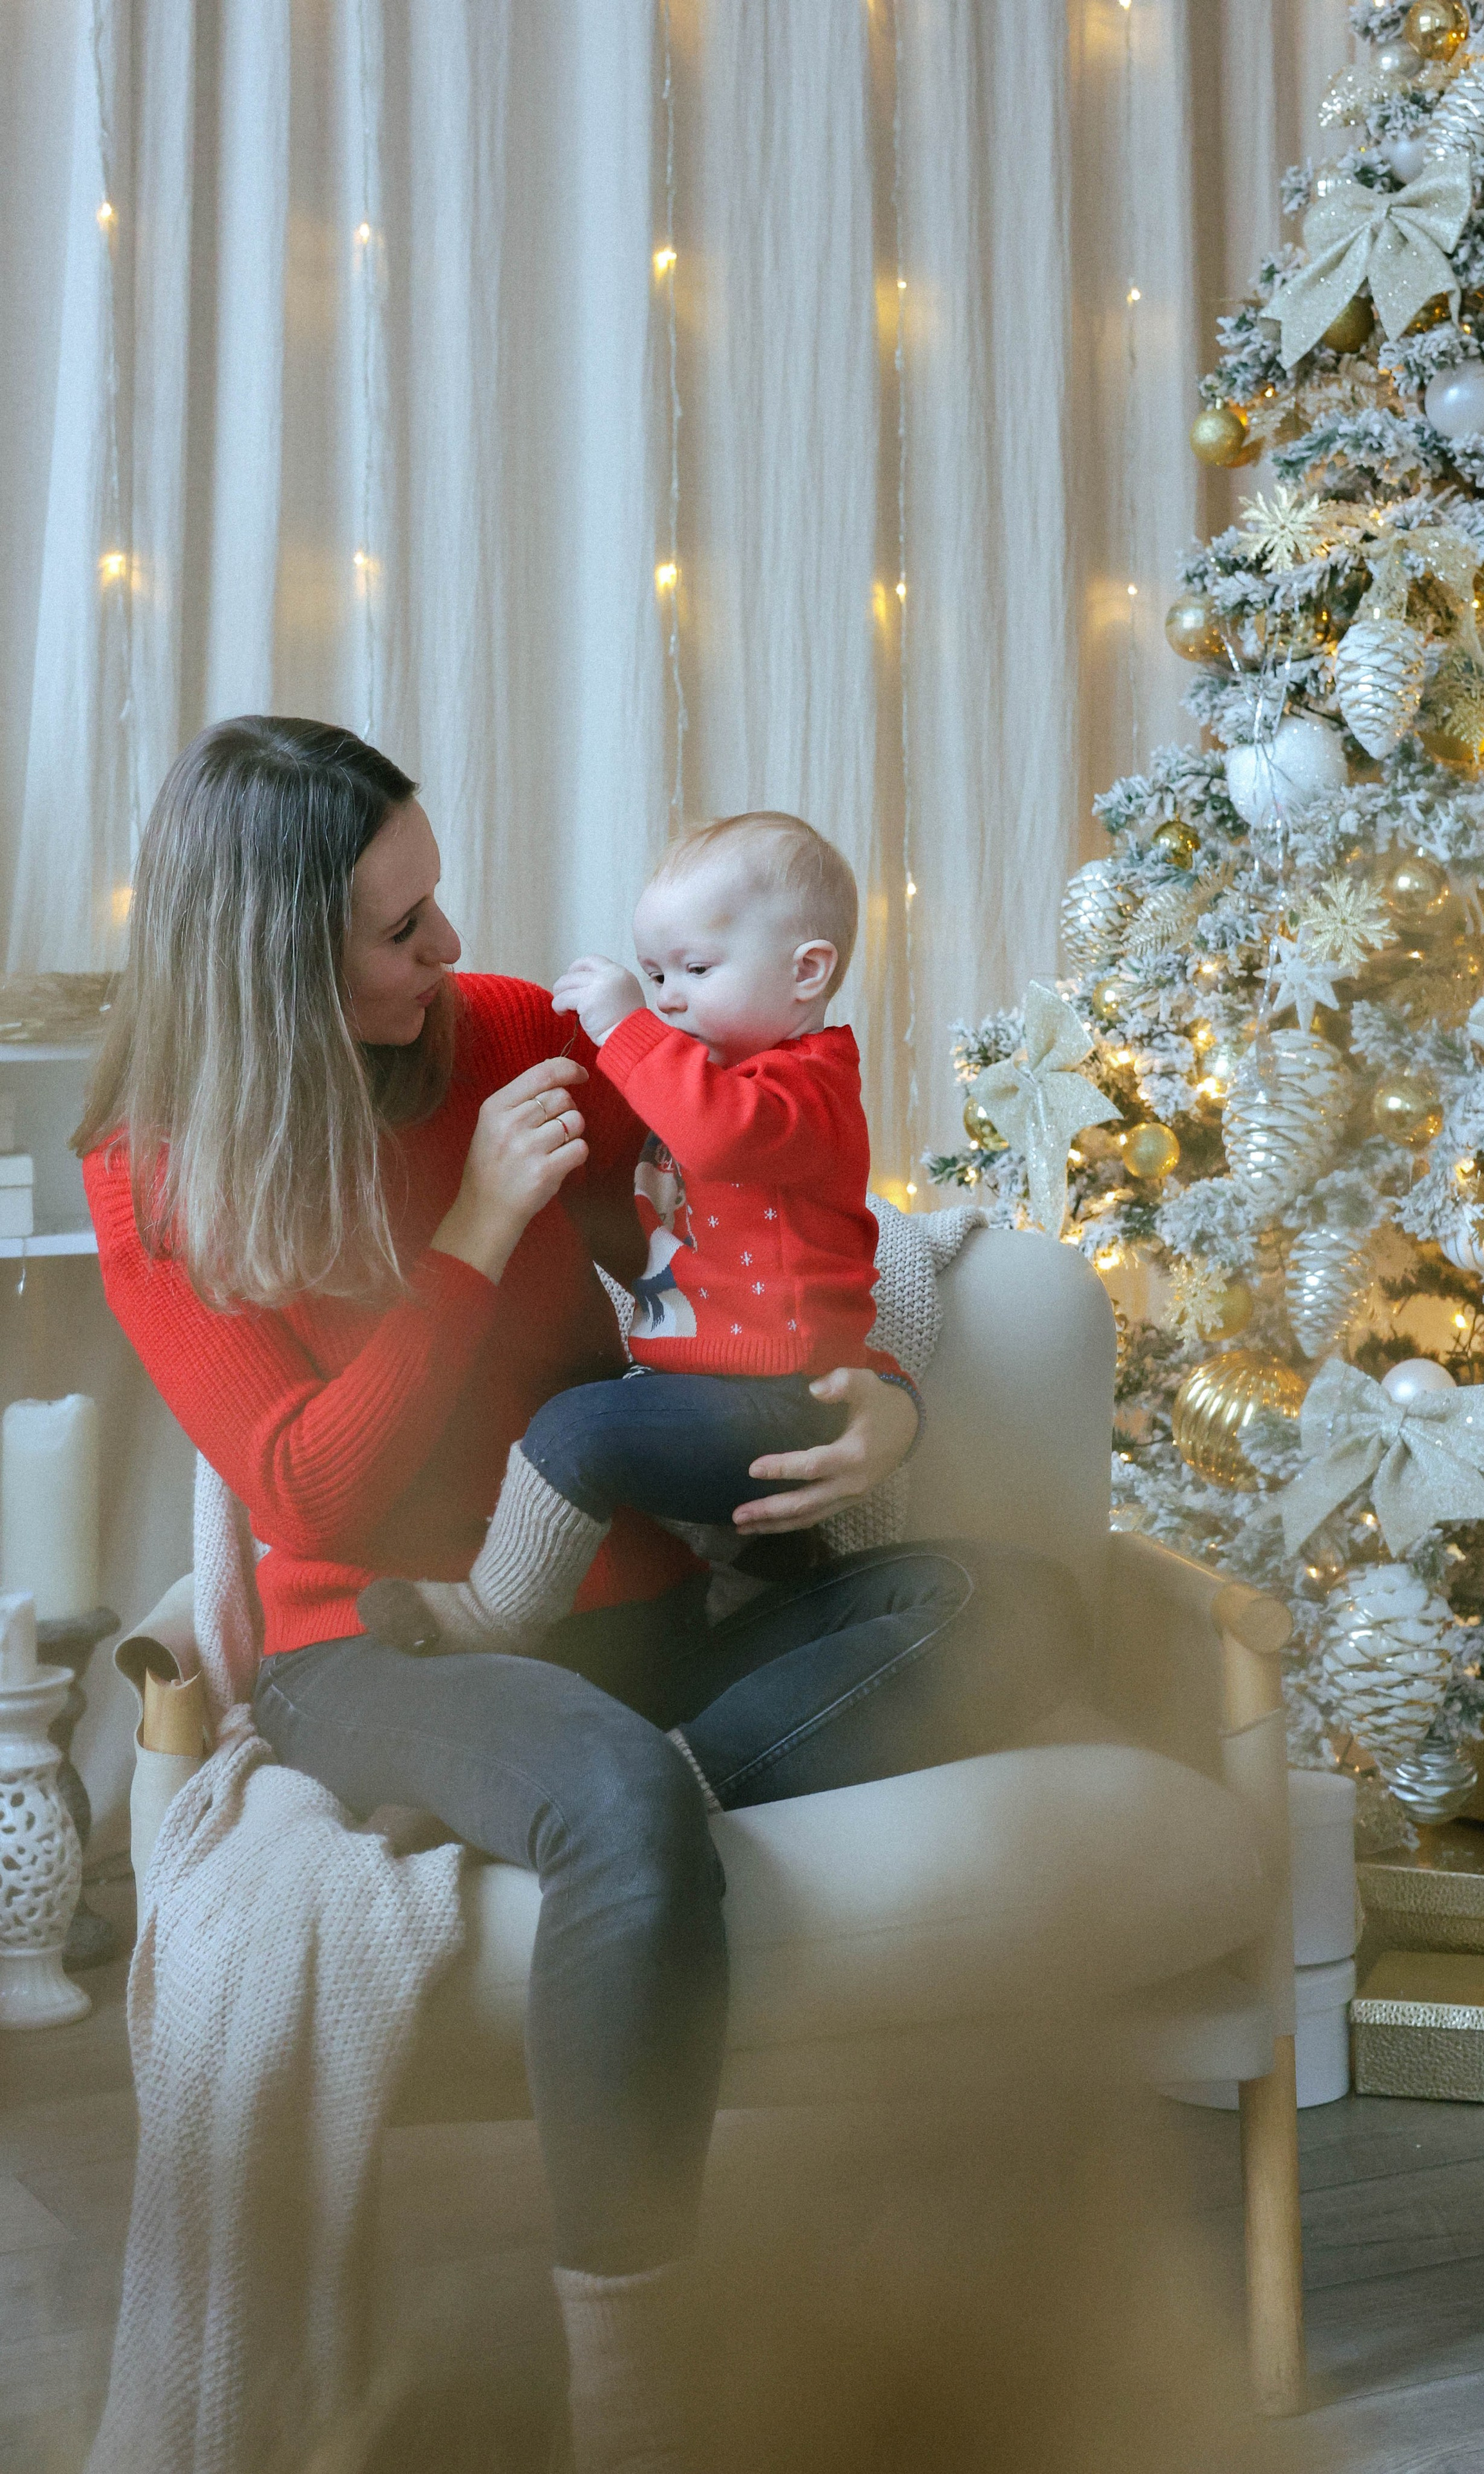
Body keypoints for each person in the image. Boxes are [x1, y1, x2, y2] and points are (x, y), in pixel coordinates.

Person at [77, 716, 1086, 2474]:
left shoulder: (507, 1040)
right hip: (380, 1650)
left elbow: (762, 1224)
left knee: (1015, 1615)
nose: (450, 951)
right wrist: (474, 1230)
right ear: (277, 961)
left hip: (644, 1620)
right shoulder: (155, 1169)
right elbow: (314, 1487)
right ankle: (633, 2391)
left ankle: (621, 1800)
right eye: (401, 931)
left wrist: (881, 1401)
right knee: (613, 1799)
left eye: (436, 903)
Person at [364, 809, 915, 1662]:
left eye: (696, 969)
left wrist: (626, 1024)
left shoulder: (806, 1090)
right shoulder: (714, 1071)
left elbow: (716, 1134)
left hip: (773, 1398)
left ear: (807, 972)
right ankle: (762, 1587)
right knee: (643, 1468)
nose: (667, 1000)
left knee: (575, 1432)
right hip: (710, 1387)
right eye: (655, 975)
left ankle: (492, 1617)